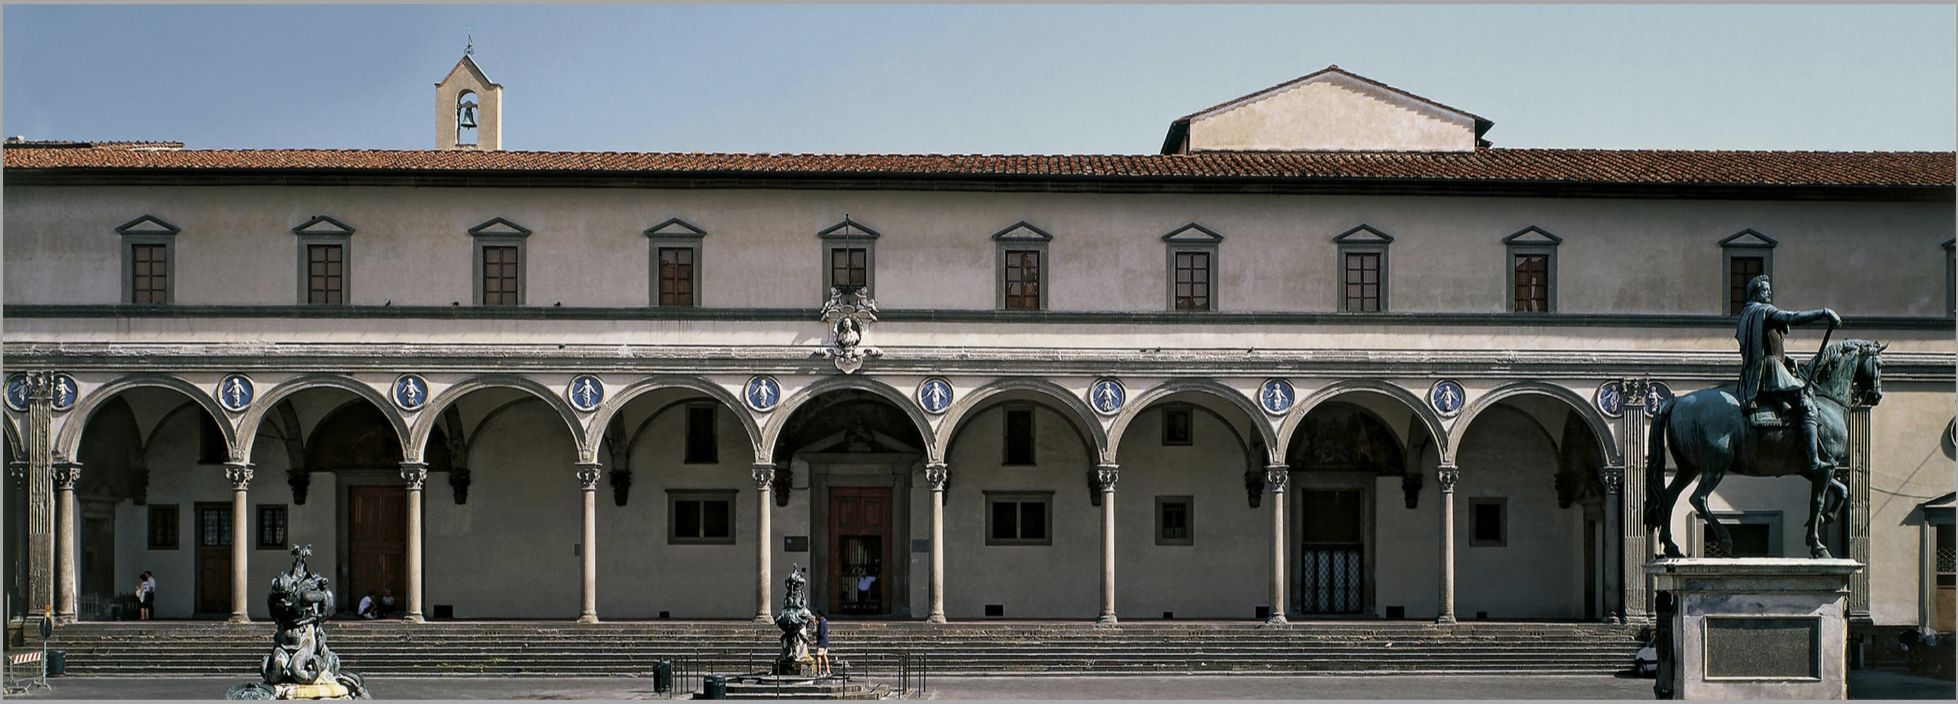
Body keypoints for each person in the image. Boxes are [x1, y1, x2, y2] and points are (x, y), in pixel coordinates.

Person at [1735, 274, 1840, 473]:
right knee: (1807, 405)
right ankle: (1814, 460)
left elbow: (1761, 346)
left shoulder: (1747, 314)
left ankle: (1783, 409)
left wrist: (1786, 358)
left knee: (1787, 403)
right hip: (1770, 372)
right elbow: (1793, 317)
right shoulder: (1765, 310)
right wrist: (1824, 313)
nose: (1769, 293)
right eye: (1766, 290)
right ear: (1756, 292)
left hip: (1758, 371)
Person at [813, 611, 831, 677]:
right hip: (826, 641)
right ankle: (828, 671)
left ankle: (819, 672)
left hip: (821, 641)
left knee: (818, 656)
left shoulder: (821, 622)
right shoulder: (824, 621)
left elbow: (820, 632)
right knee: (824, 655)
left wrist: (814, 633)